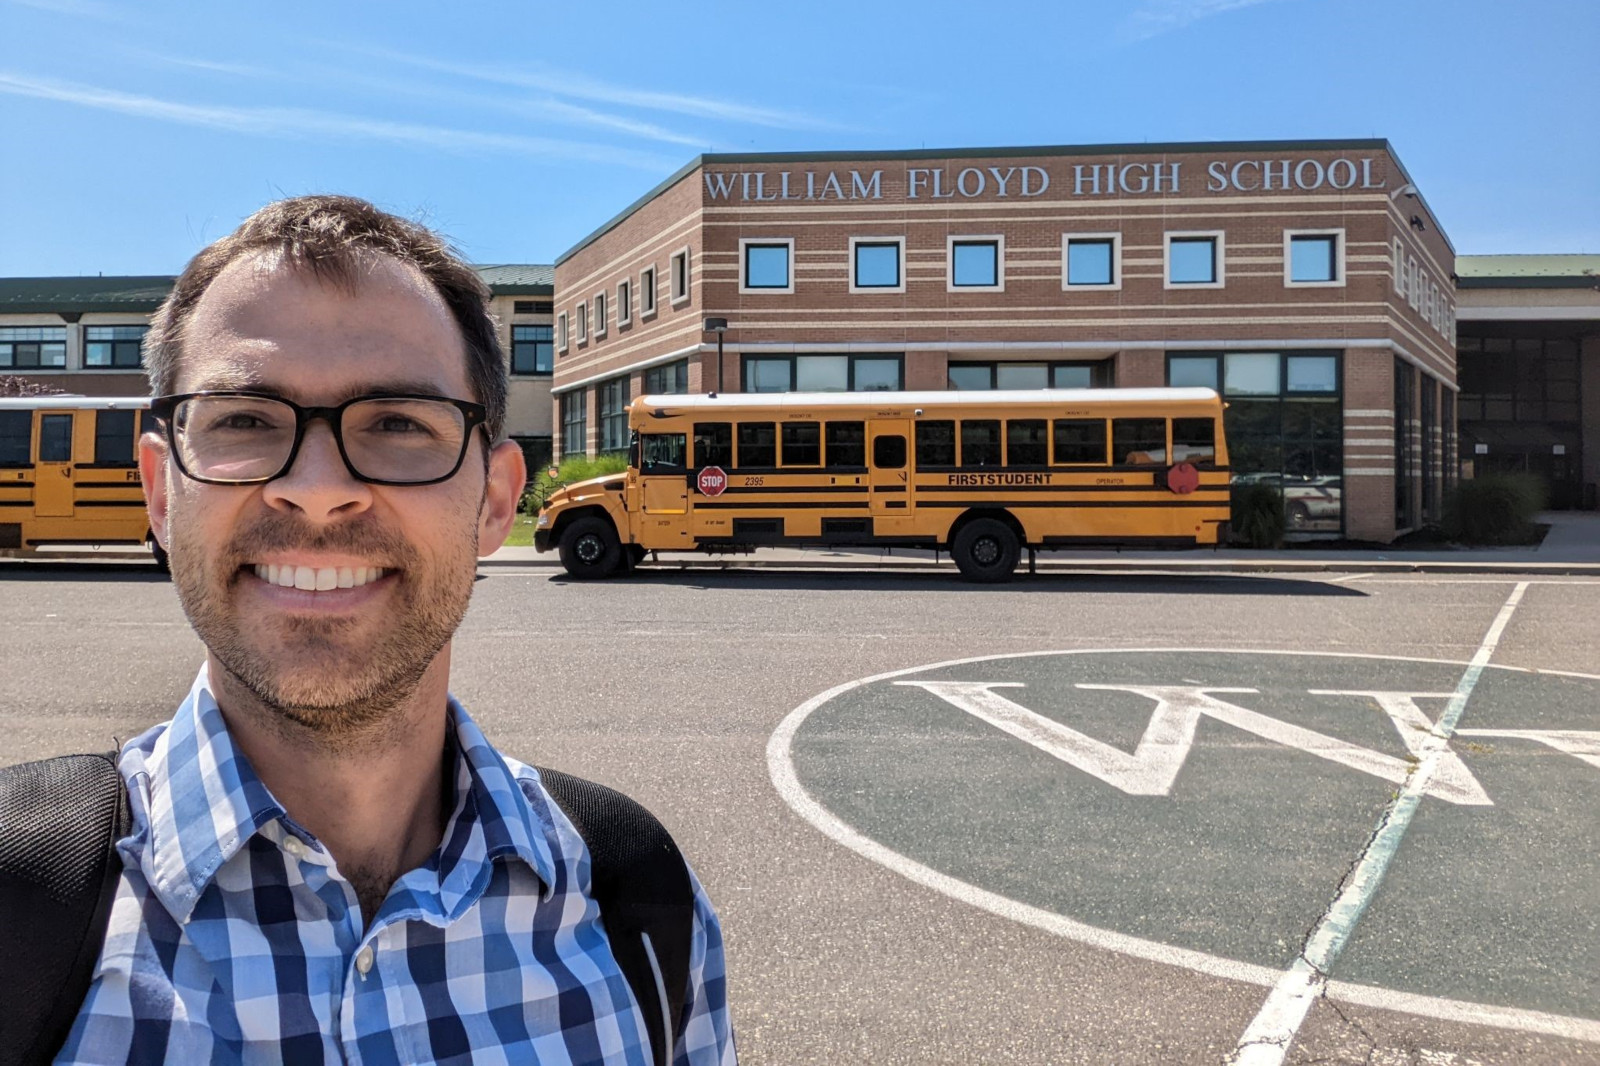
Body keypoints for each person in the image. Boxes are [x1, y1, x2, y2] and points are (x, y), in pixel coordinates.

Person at [55, 196, 735, 1064]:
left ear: (494, 499)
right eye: (245, 422)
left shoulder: (644, 910)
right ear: (159, 491)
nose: (316, 487)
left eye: (398, 424)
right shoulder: (22, 906)